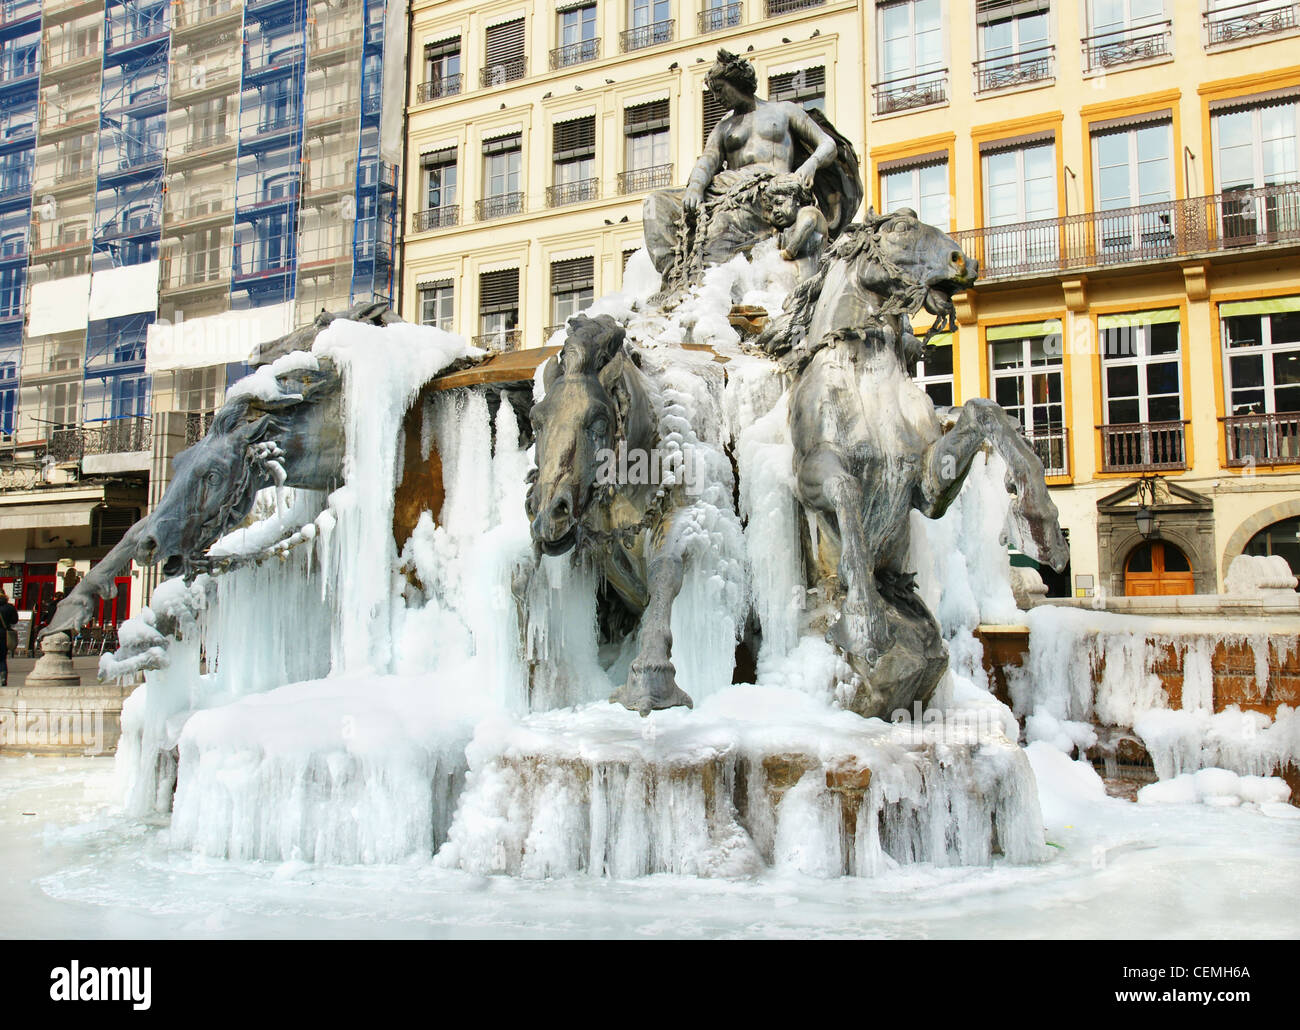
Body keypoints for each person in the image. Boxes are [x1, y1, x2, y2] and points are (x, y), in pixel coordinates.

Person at [642, 49, 842, 281]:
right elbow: (708, 159)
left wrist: (810, 166)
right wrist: (695, 187)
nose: (716, 98)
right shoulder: (723, 127)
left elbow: (828, 144)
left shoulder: (784, 111)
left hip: (768, 189)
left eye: (719, 89)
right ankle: (674, 277)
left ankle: (706, 283)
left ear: (737, 82)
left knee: (722, 224)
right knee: (655, 204)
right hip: (727, 186)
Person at [0, 591, 18, 687]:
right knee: (2, 658)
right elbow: (15, 620)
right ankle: (3, 677)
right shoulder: (10, 607)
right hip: (4, 634)